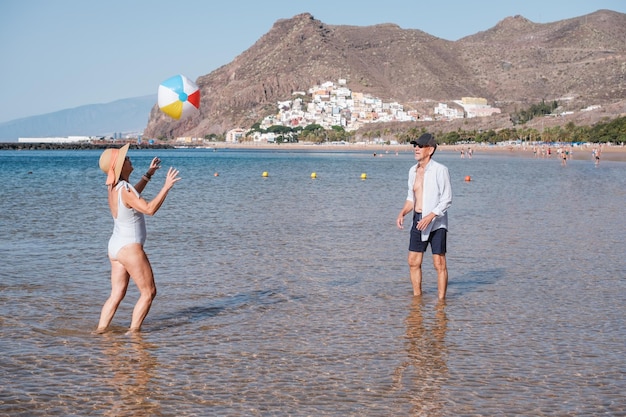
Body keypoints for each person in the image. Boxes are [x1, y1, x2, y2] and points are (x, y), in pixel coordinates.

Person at [96, 144, 181, 333]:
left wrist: (148, 174)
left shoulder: (115, 187)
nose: (129, 159)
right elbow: (149, 209)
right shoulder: (125, 189)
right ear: (119, 166)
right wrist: (166, 186)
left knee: (116, 294)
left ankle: (100, 332)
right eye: (125, 158)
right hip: (129, 248)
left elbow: (132, 195)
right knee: (149, 292)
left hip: (115, 247)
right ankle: (133, 334)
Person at [396, 133, 452, 299]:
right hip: (417, 220)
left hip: (437, 223)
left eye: (420, 146)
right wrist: (402, 213)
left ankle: (441, 302)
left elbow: (447, 199)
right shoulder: (413, 171)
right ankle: (417, 299)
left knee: (439, 263)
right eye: (415, 145)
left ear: (431, 150)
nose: (416, 149)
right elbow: (410, 198)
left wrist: (430, 216)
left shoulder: (440, 170)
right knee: (413, 261)